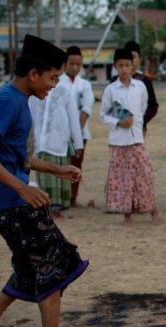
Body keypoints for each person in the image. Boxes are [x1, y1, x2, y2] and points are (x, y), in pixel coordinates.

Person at [0, 35, 88, 327]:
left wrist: (55, 169)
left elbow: (15, 157)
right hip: (4, 202)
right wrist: (22, 190)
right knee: (55, 258)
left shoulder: (19, 101)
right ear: (33, 74)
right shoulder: (7, 100)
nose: (54, 84)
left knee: (30, 262)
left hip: (5, 199)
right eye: (52, 77)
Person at [101, 48, 162, 226]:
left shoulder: (140, 87)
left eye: (127, 65)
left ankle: (153, 211)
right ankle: (127, 215)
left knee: (145, 174)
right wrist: (119, 123)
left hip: (137, 139)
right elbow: (103, 115)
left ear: (133, 65)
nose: (125, 69)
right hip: (119, 142)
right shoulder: (110, 90)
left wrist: (136, 124)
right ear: (115, 67)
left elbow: (143, 108)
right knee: (123, 179)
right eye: (121, 65)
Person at [29, 63, 84, 217]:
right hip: (40, 142)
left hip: (60, 141)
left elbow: (73, 118)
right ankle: (48, 209)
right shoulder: (37, 92)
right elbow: (31, 115)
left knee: (60, 176)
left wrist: (78, 143)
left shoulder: (65, 92)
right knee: (45, 176)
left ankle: (58, 209)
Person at [59, 46, 94, 208]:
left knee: (76, 166)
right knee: (60, 165)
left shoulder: (85, 85)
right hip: (59, 134)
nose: (75, 67)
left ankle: (73, 198)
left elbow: (87, 109)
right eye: (71, 63)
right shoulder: (58, 82)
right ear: (65, 64)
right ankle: (60, 198)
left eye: (78, 64)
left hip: (80, 133)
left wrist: (76, 133)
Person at [111, 41, 159, 136]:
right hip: (119, 128)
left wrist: (142, 121)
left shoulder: (145, 81)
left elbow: (153, 106)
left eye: (133, 57)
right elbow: (111, 104)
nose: (131, 60)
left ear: (139, 60)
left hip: (139, 129)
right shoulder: (114, 81)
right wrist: (123, 120)